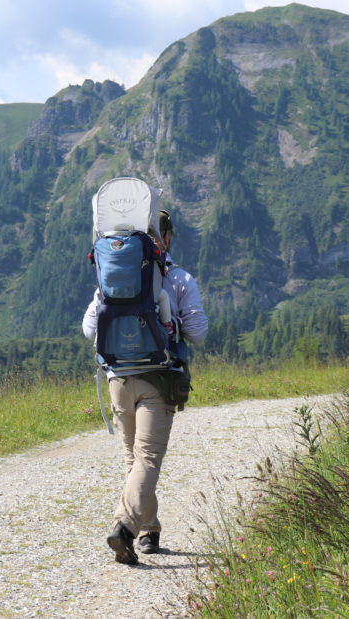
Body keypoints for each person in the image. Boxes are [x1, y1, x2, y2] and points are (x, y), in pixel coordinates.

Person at [82, 210, 208, 564]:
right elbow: (197, 335)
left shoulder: (112, 280)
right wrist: (174, 324)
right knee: (149, 458)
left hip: (118, 377)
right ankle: (124, 528)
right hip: (159, 376)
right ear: (166, 238)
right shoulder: (179, 278)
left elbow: (90, 330)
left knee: (132, 458)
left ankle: (149, 531)